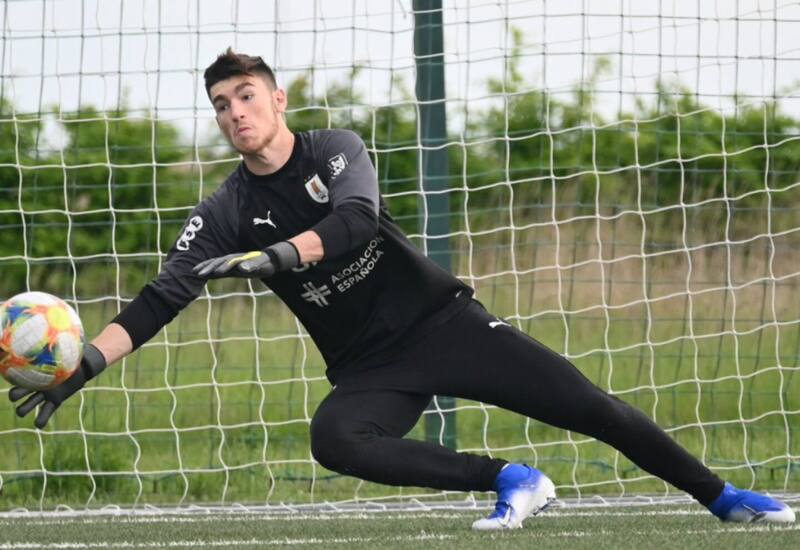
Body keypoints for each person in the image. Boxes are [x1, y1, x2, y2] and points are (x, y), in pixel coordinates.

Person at [10, 48, 794, 529]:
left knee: (593, 408)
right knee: (336, 439)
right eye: (221, 105)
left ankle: (721, 495)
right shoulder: (223, 211)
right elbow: (161, 297)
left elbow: (356, 220)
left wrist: (278, 258)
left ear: (278, 99)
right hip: (371, 368)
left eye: (247, 96)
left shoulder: (334, 149)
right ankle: (512, 480)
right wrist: (85, 367)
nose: (235, 113)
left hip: (442, 325)